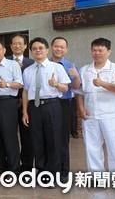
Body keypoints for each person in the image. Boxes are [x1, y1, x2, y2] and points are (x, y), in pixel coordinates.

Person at [76, 37, 115, 193]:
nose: (97, 53)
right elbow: (80, 92)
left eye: (100, 50)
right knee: (92, 148)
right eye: (94, 50)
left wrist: (102, 83)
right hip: (90, 115)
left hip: (110, 115)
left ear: (108, 51)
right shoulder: (85, 69)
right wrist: (81, 108)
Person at [20, 37, 70, 180]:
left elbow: (66, 87)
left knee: (53, 140)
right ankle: (42, 172)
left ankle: (53, 173)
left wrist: (56, 85)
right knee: (37, 140)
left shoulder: (57, 67)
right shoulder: (28, 70)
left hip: (52, 106)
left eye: (41, 48)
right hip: (34, 108)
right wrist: (25, 111)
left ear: (47, 50)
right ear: (31, 51)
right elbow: (25, 91)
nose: (38, 51)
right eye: (34, 49)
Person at [0, 39, 23, 175]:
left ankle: (14, 170)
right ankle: (1, 169)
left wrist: (6, 84)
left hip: (8, 103)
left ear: (4, 50)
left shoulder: (13, 65)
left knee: (10, 137)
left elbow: (20, 84)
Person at [49, 36, 81, 182]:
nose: (59, 49)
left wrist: (76, 77)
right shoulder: (44, 64)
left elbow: (75, 87)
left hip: (64, 104)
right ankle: (48, 170)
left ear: (66, 49)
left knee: (62, 138)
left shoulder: (70, 65)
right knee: (47, 137)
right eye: (56, 46)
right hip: (47, 104)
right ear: (51, 47)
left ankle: (63, 171)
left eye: (62, 47)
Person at [6, 34, 34, 172]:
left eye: (20, 43)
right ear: (10, 46)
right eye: (14, 44)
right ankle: (13, 165)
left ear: (25, 46)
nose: (17, 46)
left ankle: (27, 166)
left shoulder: (32, 63)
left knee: (27, 135)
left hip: (26, 103)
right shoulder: (4, 61)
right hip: (9, 103)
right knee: (9, 135)